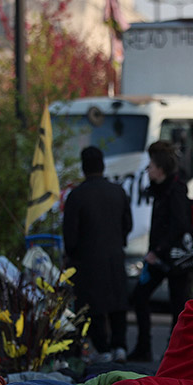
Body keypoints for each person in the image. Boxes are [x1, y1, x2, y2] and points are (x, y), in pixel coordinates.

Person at [63, 146, 133, 362]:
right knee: (117, 303)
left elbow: (70, 234)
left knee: (92, 305)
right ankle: (120, 346)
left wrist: (72, 254)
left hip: (87, 260)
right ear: (103, 165)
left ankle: (102, 348)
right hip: (114, 256)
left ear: (83, 168)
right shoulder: (118, 191)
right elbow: (127, 225)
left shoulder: (77, 196)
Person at [129, 140, 193, 362]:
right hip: (160, 257)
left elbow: (179, 225)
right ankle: (146, 346)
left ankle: (175, 351)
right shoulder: (160, 189)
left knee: (178, 305)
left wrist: (158, 250)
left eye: (152, 166)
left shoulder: (175, 190)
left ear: (161, 168)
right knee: (141, 296)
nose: (148, 170)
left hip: (173, 258)